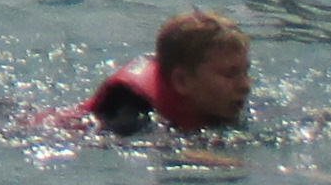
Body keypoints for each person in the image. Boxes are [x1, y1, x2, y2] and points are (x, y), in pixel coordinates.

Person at [60, 8, 251, 137]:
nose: (245, 85)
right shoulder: (130, 114)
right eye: (229, 75)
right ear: (182, 81)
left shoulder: (218, 103)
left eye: (245, 71)